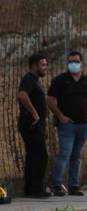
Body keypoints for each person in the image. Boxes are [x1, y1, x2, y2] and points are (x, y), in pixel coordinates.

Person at [47, 51, 87, 197]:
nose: (73, 64)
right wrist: (60, 116)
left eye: (76, 61)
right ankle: (57, 185)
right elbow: (50, 99)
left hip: (83, 125)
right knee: (64, 154)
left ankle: (73, 185)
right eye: (71, 61)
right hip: (67, 125)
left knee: (76, 155)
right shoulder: (60, 80)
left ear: (82, 64)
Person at [17, 53, 51, 198]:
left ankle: (31, 189)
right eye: (43, 65)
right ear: (34, 65)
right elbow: (22, 95)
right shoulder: (29, 79)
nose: (45, 68)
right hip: (31, 123)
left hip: (35, 124)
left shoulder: (35, 80)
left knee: (34, 155)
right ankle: (36, 189)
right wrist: (34, 113)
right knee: (40, 155)